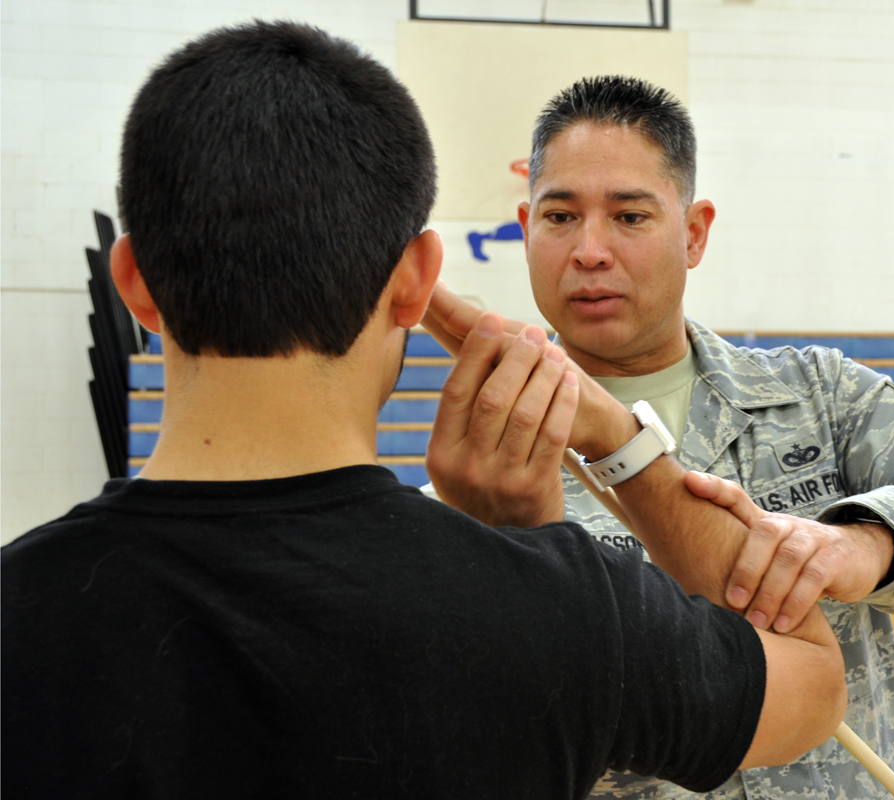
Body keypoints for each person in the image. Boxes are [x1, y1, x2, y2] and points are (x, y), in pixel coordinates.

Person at [0, 24, 850, 799]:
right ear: (414, 281)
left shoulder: (20, 617)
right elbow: (812, 682)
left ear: (135, 283)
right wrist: (617, 439)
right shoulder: (571, 612)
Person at [422, 76, 894, 799]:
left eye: (630, 216)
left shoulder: (820, 398)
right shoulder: (491, 467)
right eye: (560, 217)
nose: (590, 250)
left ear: (693, 232)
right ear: (525, 227)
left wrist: (864, 545)